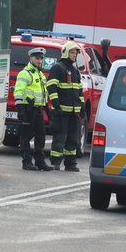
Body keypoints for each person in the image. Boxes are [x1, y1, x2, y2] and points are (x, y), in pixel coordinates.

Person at [46, 40, 85, 172]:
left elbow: (79, 90)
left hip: (74, 112)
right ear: (66, 53)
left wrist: (82, 106)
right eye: (72, 52)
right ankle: (55, 162)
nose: (74, 55)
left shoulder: (75, 70)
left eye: (75, 53)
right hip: (61, 111)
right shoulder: (58, 68)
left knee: (73, 139)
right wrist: (56, 105)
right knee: (60, 138)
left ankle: (70, 163)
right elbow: (51, 87)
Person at [13, 48, 53, 171]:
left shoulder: (40, 74)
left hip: (38, 110)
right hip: (28, 109)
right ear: (31, 58)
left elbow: (43, 93)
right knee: (26, 137)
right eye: (37, 58)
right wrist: (20, 109)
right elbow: (18, 91)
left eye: (41, 58)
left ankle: (40, 162)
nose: (39, 60)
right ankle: (27, 162)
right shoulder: (25, 73)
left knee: (41, 136)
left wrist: (47, 109)